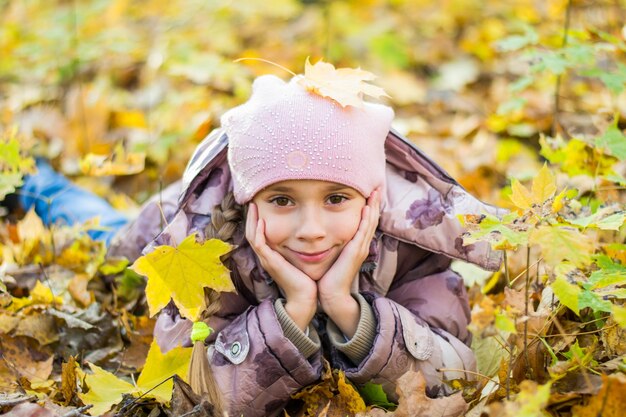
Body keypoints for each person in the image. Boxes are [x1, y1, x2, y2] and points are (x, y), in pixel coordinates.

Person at [16, 70, 503, 417]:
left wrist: (348, 310)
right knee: (97, 228)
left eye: (335, 198)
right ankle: (30, 176)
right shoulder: (211, 244)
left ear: (372, 202)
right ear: (250, 203)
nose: (310, 229)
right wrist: (289, 313)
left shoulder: (408, 247)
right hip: (161, 226)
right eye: (282, 200)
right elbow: (191, 387)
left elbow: (456, 371)